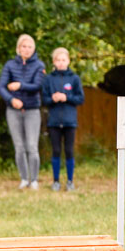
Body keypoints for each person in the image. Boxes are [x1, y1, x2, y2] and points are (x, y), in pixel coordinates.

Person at [0, 34, 45, 189]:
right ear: (18, 48)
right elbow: (1, 87)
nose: (27, 49)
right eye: (24, 46)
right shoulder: (10, 65)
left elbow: (38, 86)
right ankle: (24, 179)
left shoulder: (39, 65)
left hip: (32, 110)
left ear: (34, 49)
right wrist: (11, 100)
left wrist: (20, 85)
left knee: (32, 146)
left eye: (30, 46)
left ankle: (34, 180)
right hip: (13, 111)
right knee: (19, 146)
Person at [42, 47, 84, 191]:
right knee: (56, 151)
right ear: (54, 62)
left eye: (63, 60)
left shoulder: (74, 78)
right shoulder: (48, 79)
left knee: (69, 151)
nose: (61, 62)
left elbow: (80, 98)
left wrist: (67, 97)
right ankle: (56, 181)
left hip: (69, 121)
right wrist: (53, 99)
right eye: (58, 60)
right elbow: (44, 99)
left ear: (68, 61)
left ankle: (70, 181)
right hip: (54, 121)